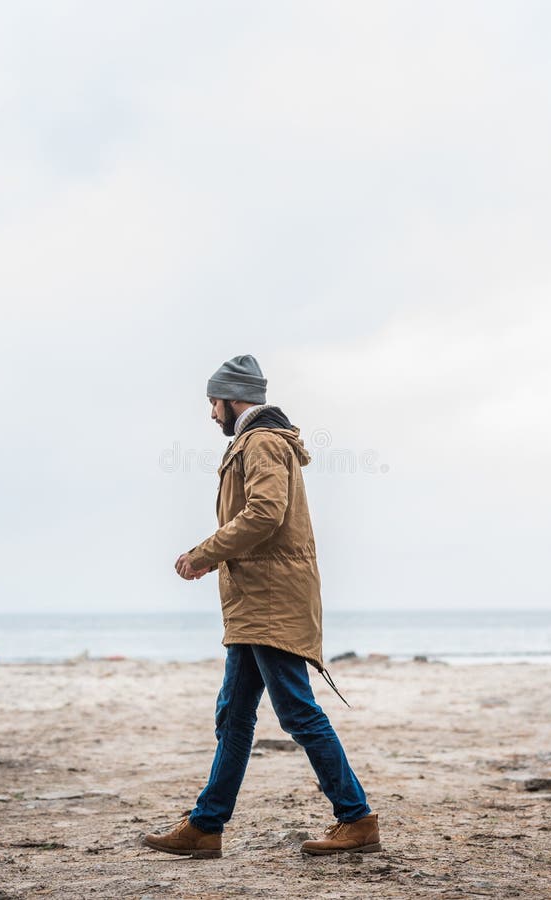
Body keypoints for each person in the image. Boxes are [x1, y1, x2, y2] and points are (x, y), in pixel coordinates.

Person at [143, 354, 380, 859]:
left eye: (213, 402)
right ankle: (206, 826)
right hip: (255, 601)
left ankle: (356, 819)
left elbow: (265, 513)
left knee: (296, 711)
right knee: (233, 715)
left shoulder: (264, 442)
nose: (211, 414)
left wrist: (203, 555)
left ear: (234, 398)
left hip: (270, 601)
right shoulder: (254, 442)